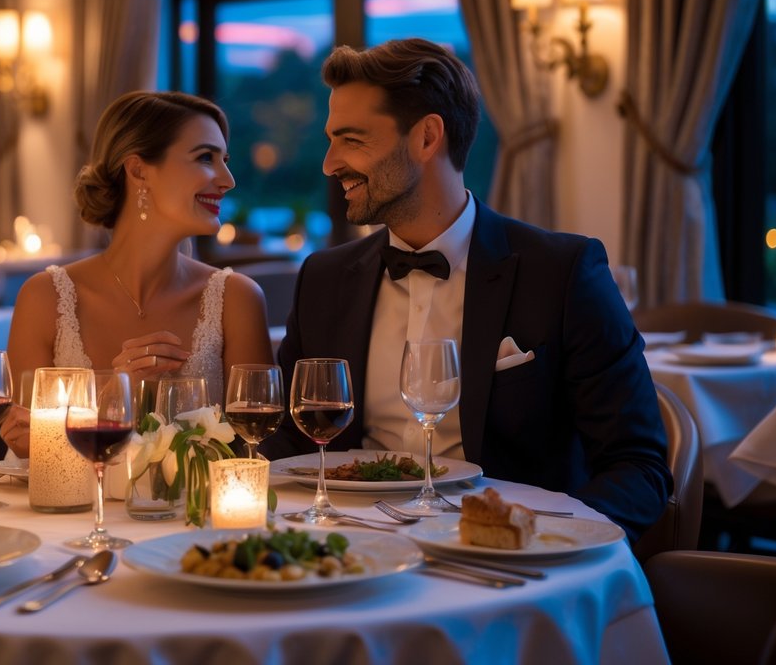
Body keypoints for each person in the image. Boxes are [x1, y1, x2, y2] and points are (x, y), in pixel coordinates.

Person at [268, 38, 672, 543]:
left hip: (501, 566)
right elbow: (290, 438)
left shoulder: (562, 273)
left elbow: (638, 465)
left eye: (351, 140)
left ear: (427, 137)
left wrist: (535, 539)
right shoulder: (324, 279)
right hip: (348, 552)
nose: (329, 164)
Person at [0, 90, 274, 457]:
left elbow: (254, 454)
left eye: (225, 160)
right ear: (138, 169)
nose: (227, 180)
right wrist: (116, 396)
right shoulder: (45, 297)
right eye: (206, 157)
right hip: (71, 514)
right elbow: (29, 446)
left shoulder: (237, 299)